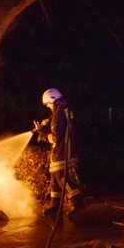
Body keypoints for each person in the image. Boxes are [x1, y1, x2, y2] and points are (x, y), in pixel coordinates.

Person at [34, 88, 87, 218]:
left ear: (52, 99)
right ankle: (55, 205)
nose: (48, 106)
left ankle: (78, 203)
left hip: (63, 151)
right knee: (54, 178)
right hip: (61, 150)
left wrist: (42, 136)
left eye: (48, 104)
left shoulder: (59, 113)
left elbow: (56, 137)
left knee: (62, 177)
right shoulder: (62, 110)